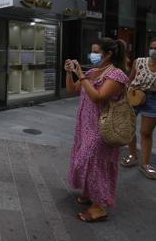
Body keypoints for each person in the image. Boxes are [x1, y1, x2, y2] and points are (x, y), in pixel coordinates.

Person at [65, 38, 129, 222]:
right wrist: (70, 73)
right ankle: (88, 192)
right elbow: (73, 89)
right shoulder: (94, 71)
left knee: (95, 161)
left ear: (108, 54)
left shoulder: (116, 76)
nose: (92, 55)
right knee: (84, 160)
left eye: (96, 52)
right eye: (91, 51)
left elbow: (98, 97)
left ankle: (100, 206)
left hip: (103, 128)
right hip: (85, 125)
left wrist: (82, 76)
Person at [120, 37, 156, 179]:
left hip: (153, 99)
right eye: (151, 47)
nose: (153, 51)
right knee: (129, 128)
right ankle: (133, 155)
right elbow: (129, 80)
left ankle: (145, 164)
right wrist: (122, 98)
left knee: (146, 132)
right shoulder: (139, 62)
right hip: (133, 95)